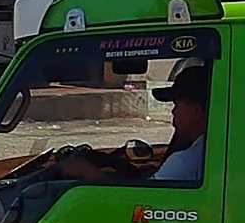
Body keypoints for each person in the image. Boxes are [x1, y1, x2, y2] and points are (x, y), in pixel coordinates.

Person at [61, 64, 207, 183]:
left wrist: (90, 174)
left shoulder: (187, 161)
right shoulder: (206, 151)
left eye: (177, 105)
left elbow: (143, 200)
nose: (173, 112)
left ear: (196, 111)